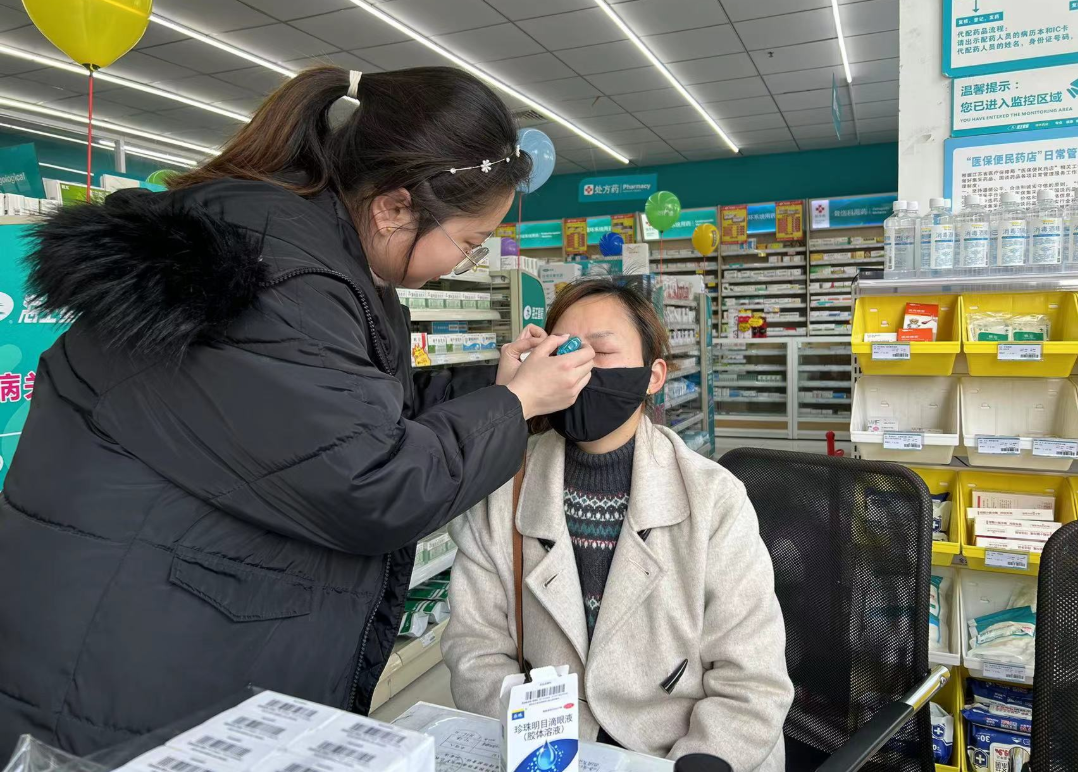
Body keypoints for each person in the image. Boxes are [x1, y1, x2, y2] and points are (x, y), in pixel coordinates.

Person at [0, 66, 595, 754]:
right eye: (467, 242)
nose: (465, 261)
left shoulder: (299, 255)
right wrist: (516, 404)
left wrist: (494, 385)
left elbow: (353, 414)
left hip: (156, 642)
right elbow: (372, 482)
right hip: (120, 683)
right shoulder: (279, 281)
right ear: (395, 208)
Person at [442, 280, 793, 770]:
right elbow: (475, 649)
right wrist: (540, 749)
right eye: (563, 350)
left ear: (653, 376)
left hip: (680, 754)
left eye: (601, 351)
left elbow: (751, 680)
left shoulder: (713, 498)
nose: (578, 365)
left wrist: (703, 760)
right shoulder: (503, 489)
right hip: (551, 753)